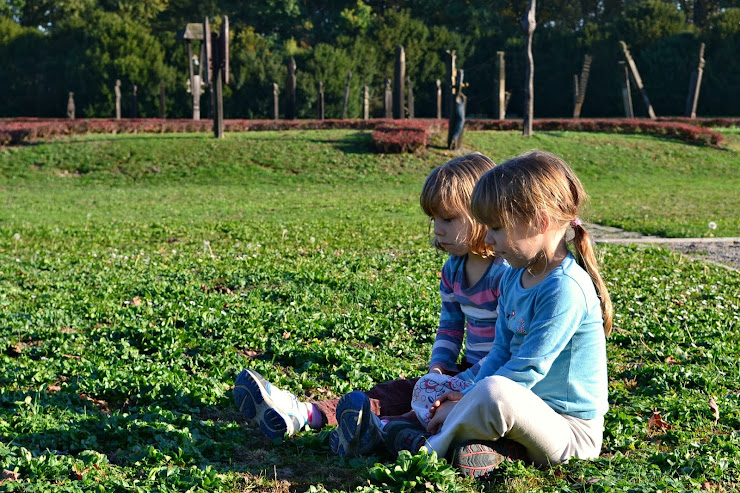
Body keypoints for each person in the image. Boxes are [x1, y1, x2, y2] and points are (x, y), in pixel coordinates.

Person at [336, 150, 612, 477]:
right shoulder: (513, 277)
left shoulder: (564, 287)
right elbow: (500, 352)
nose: (489, 239)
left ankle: (423, 446)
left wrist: (461, 403)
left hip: (569, 432)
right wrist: (456, 391)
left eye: (496, 227)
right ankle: (481, 450)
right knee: (437, 385)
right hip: (520, 413)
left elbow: (527, 368)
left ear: (540, 222)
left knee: (495, 392)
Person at [232, 153, 509, 456]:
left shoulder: (505, 273)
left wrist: (459, 384)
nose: (437, 230)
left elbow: (507, 349)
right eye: (434, 220)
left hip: (496, 380)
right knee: (394, 392)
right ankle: (304, 413)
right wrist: (439, 369)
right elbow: (450, 327)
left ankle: (379, 431)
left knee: (426, 409)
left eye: (448, 219)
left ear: (481, 214)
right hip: (464, 372)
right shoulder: (453, 270)